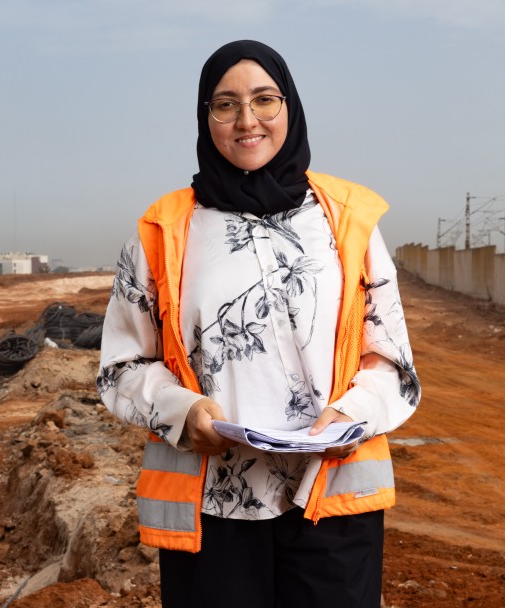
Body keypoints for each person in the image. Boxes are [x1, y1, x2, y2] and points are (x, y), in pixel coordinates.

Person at [95, 41, 421, 608]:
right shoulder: (162, 230)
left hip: (329, 498)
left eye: (264, 100)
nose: (247, 120)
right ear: (205, 117)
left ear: (289, 107)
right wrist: (182, 412)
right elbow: (122, 367)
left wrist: (353, 415)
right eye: (225, 105)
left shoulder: (349, 220)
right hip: (213, 508)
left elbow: (391, 360)